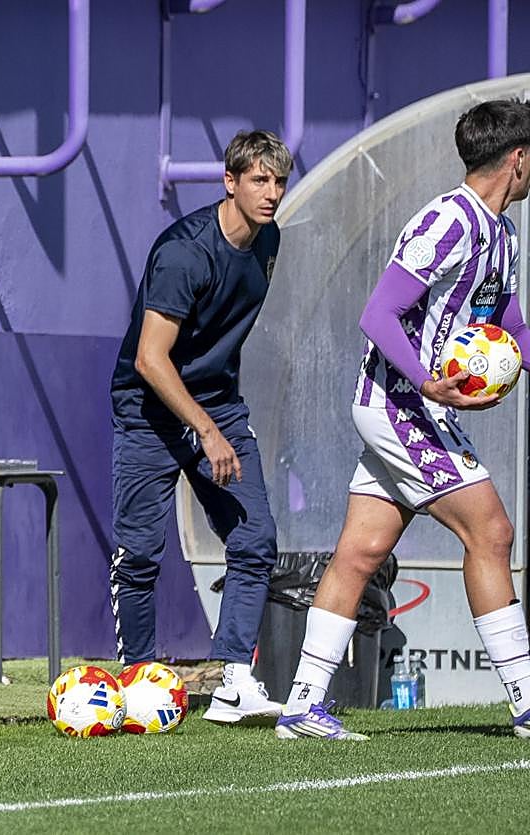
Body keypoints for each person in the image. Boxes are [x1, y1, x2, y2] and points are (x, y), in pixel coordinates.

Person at [276, 99, 530, 741]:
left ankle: (302, 707)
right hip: (400, 403)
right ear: (518, 159)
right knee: (491, 532)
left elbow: (512, 326)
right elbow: (378, 314)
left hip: (413, 404)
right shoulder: (449, 220)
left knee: (359, 552)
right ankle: (527, 702)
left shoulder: (503, 235)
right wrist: (427, 383)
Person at [109, 130, 292, 725]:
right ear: (230, 182)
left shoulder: (270, 242)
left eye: (279, 181)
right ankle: (137, 683)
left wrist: (219, 423)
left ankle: (234, 680)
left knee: (254, 540)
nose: (271, 193)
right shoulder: (184, 252)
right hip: (148, 411)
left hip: (219, 406)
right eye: (259, 180)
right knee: (139, 554)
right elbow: (149, 359)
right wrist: (205, 432)